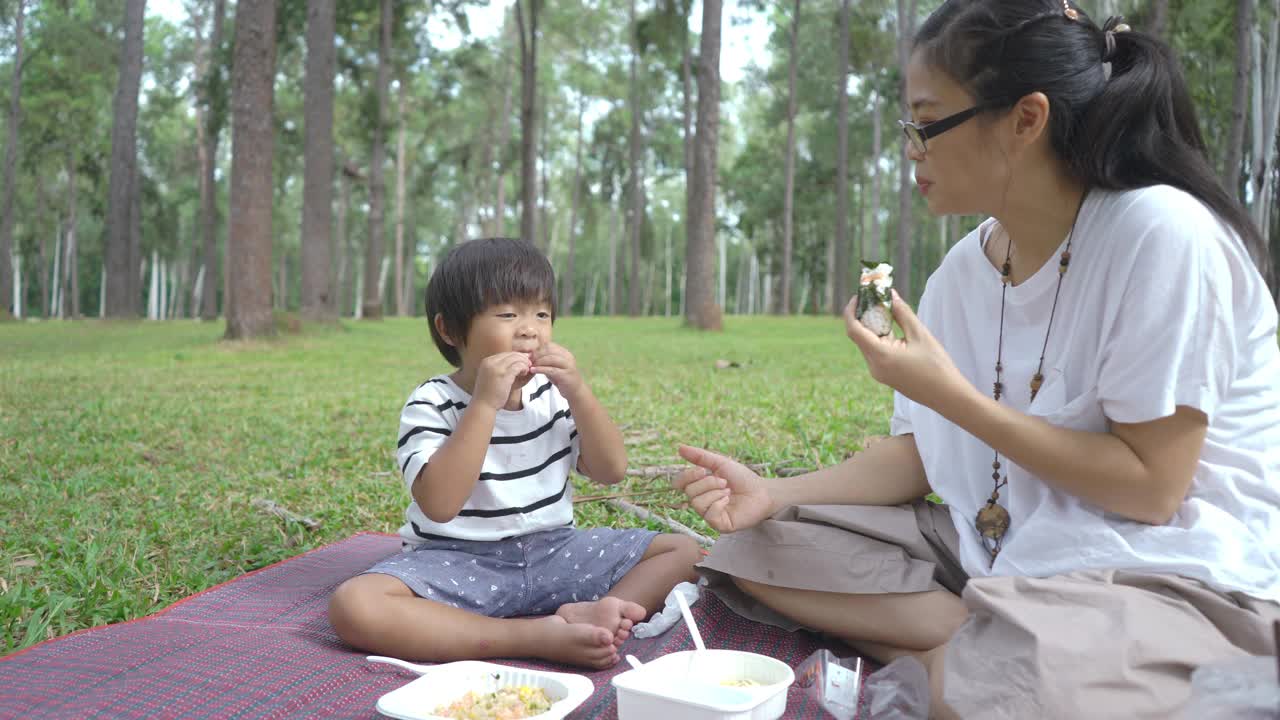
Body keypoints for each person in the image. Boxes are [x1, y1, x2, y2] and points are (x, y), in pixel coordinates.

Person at [673, 2, 1280, 718]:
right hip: (1000, 544)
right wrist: (775, 494)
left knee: (1008, 693)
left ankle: (995, 655)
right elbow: (921, 459)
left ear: (1026, 118)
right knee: (750, 551)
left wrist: (951, 395)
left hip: (1165, 567)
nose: (910, 148)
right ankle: (984, 640)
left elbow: (1152, 490)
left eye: (926, 122)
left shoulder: (1162, 234)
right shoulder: (960, 274)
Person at [330, 237, 701, 669]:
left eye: (542, 314)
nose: (530, 329)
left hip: (556, 553)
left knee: (685, 552)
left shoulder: (551, 395)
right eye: (507, 314)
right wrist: (484, 404)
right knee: (356, 605)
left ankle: (596, 614)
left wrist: (579, 391)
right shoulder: (432, 402)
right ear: (450, 330)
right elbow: (439, 503)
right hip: (459, 561)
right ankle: (530, 637)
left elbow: (611, 471)